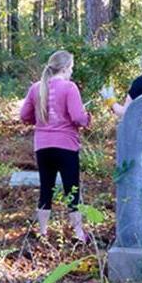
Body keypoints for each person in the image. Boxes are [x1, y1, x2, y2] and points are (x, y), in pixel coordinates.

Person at [20, 50, 90, 241]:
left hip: (42, 146)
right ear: (66, 68)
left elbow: (24, 115)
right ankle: (78, 233)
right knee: (71, 189)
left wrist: (41, 120)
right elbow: (77, 117)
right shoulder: (69, 87)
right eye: (72, 68)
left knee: (46, 188)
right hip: (66, 145)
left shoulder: (36, 88)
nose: (72, 72)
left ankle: (43, 233)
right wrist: (87, 118)